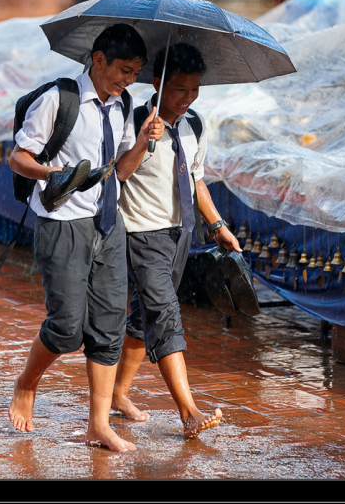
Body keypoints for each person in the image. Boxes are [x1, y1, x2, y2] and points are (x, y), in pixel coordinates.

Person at [7, 23, 164, 452]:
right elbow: (18, 157)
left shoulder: (124, 105)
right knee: (65, 328)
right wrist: (51, 173)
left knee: (109, 324)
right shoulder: (58, 99)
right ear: (98, 59)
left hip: (106, 224)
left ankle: (98, 424)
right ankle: (26, 383)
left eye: (135, 72)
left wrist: (146, 141)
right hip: (61, 225)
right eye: (123, 70)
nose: (128, 80)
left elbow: (122, 171)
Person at [111, 42, 242, 439]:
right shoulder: (131, 120)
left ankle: (117, 394)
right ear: (158, 84)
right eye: (179, 89)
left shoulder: (195, 125)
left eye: (195, 89)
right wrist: (142, 141)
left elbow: (196, 178)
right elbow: (116, 172)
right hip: (140, 233)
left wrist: (217, 224)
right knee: (165, 314)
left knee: (142, 318)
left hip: (180, 233)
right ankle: (188, 411)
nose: (188, 98)